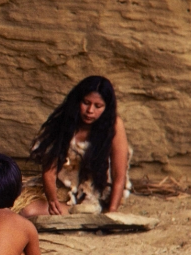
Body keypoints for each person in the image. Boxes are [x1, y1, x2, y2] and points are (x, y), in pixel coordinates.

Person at [18, 75, 131, 217]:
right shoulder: (65, 121)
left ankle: (89, 212)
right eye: (86, 102)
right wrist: (53, 201)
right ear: (78, 100)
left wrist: (112, 212)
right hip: (64, 190)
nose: (90, 111)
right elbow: (49, 171)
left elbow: (118, 175)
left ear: (106, 108)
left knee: (88, 210)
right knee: (27, 211)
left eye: (98, 106)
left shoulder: (114, 125)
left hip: (93, 192)